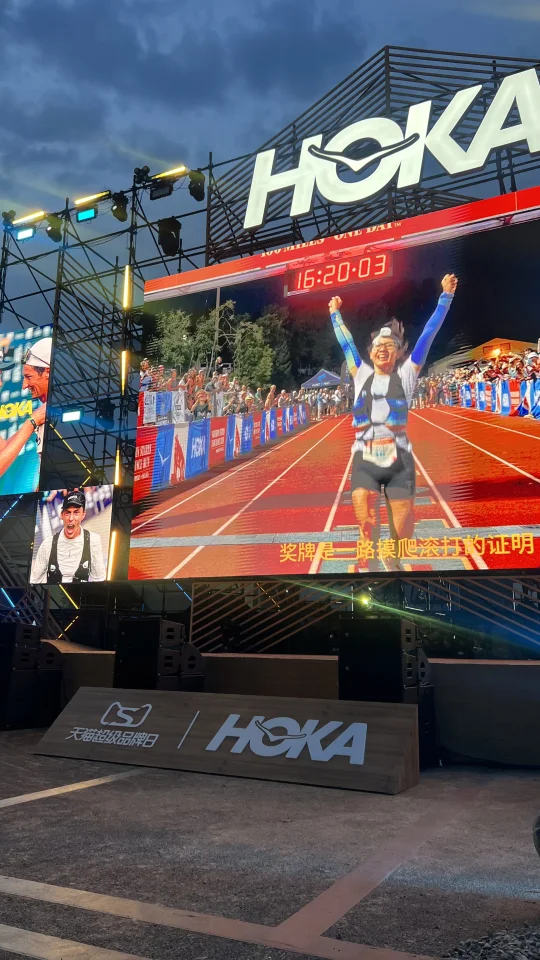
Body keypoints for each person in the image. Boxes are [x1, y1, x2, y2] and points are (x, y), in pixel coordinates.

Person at [329, 273, 458, 567]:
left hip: (399, 460)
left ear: (399, 353)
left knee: (403, 529)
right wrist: (335, 314)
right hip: (365, 458)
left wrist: (445, 298)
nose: (383, 348)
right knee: (366, 521)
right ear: (370, 352)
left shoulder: (407, 374)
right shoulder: (360, 373)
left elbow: (428, 334)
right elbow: (347, 343)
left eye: (390, 345)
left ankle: (394, 560)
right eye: (378, 345)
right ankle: (372, 571)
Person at [30, 490, 106, 584]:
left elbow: (99, 580)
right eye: (68, 513)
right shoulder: (47, 545)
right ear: (61, 515)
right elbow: (34, 582)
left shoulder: (93, 540)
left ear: (83, 515)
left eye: (76, 512)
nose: (71, 518)